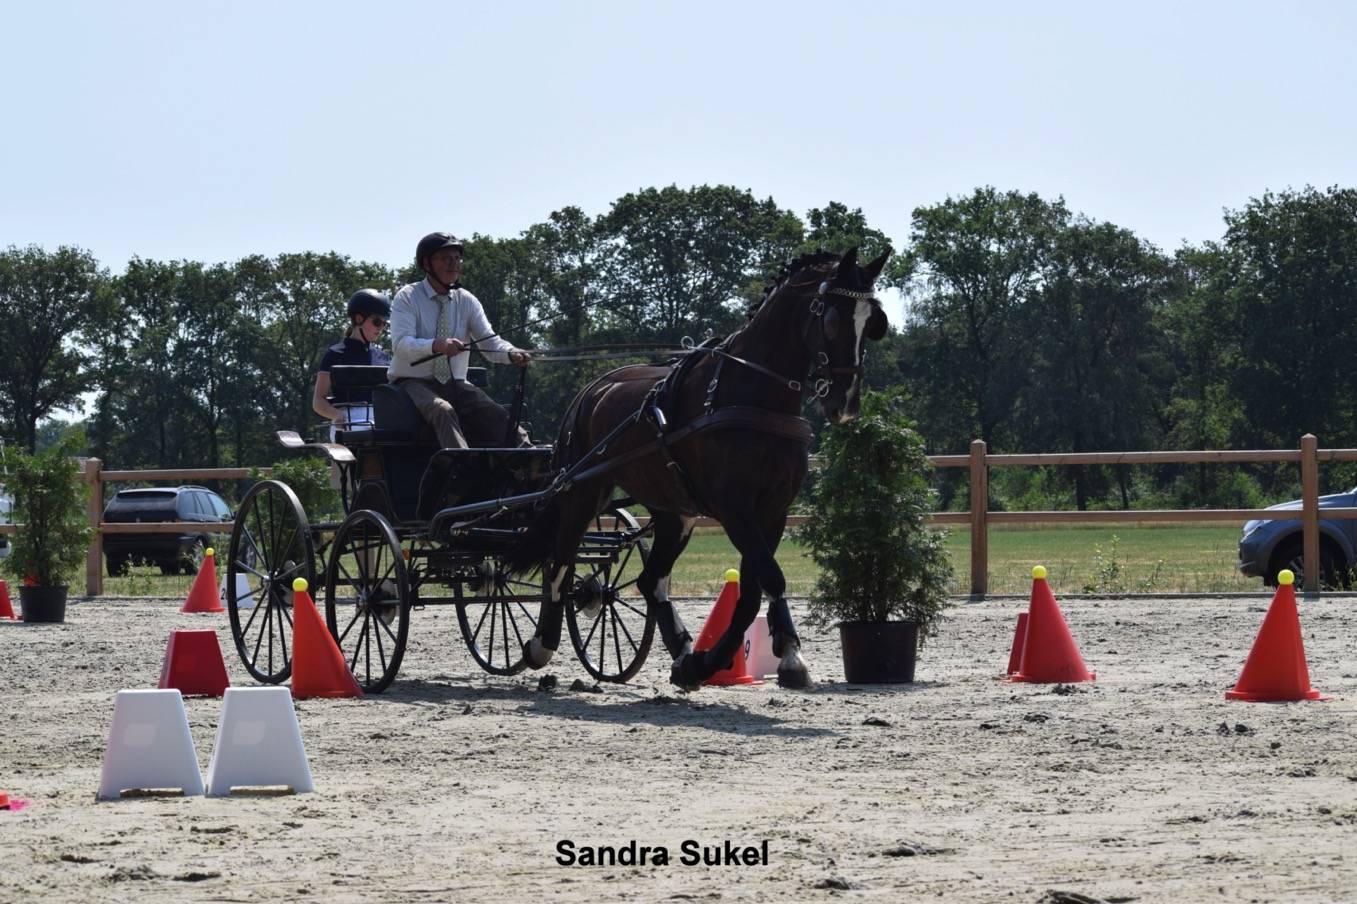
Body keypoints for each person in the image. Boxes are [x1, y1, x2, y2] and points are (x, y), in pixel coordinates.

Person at [388, 232, 531, 448]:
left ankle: (532, 463)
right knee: (442, 410)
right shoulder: (407, 297)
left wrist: (512, 353)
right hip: (412, 382)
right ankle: (462, 467)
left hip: (454, 383)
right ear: (427, 263)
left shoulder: (467, 301)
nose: (454, 264)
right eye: (446, 258)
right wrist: (436, 344)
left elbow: (490, 343)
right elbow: (401, 345)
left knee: (495, 412)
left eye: (457, 258)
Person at [312, 289, 393, 442]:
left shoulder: (383, 358)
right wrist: (336, 414)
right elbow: (318, 401)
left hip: (381, 418)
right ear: (358, 319)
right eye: (377, 322)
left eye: (384, 323)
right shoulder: (334, 354)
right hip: (348, 418)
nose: (381, 327)